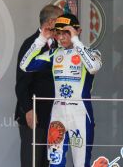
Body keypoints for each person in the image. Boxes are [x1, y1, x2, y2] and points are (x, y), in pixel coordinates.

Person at [20, 13, 102, 166]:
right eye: (58, 33)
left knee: (81, 163)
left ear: (78, 31)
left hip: (81, 115)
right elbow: (25, 65)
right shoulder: (53, 54)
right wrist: (41, 39)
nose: (62, 37)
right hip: (58, 116)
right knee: (55, 163)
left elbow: (93, 67)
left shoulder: (91, 53)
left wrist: (76, 40)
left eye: (67, 32)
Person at [15, 4, 62, 167]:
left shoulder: (59, 46)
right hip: (34, 115)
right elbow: (21, 82)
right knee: (32, 161)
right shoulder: (31, 44)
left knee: (48, 162)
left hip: (53, 116)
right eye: (60, 22)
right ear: (51, 22)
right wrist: (28, 109)